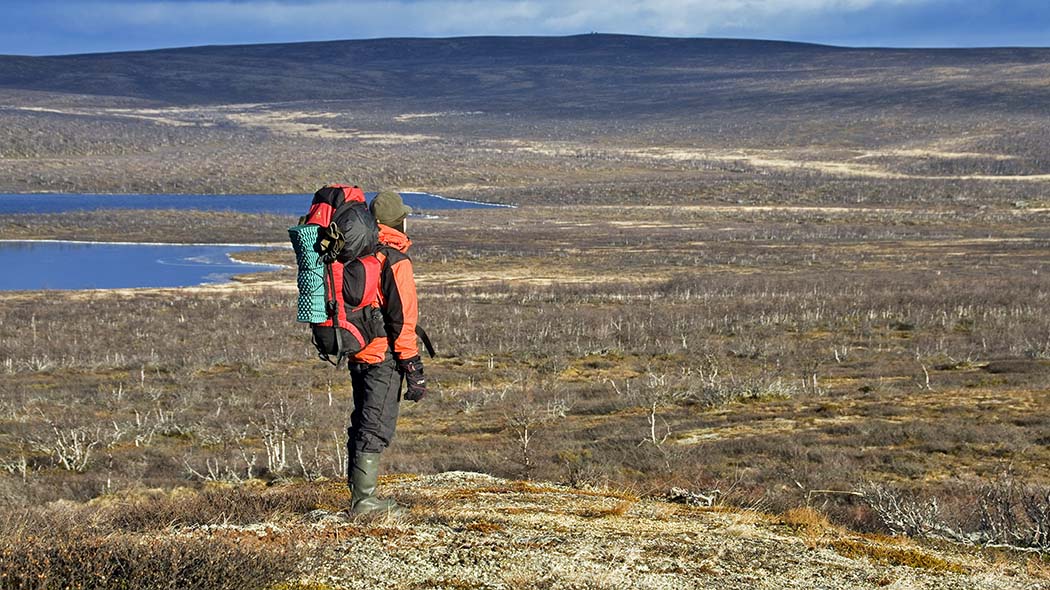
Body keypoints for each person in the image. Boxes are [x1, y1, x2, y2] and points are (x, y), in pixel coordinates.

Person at [346, 190, 427, 515]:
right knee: (375, 426)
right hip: (383, 356)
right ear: (397, 221)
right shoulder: (394, 259)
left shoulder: (356, 251)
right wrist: (413, 367)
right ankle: (364, 502)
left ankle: (361, 496)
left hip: (358, 350)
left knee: (363, 420)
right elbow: (403, 319)